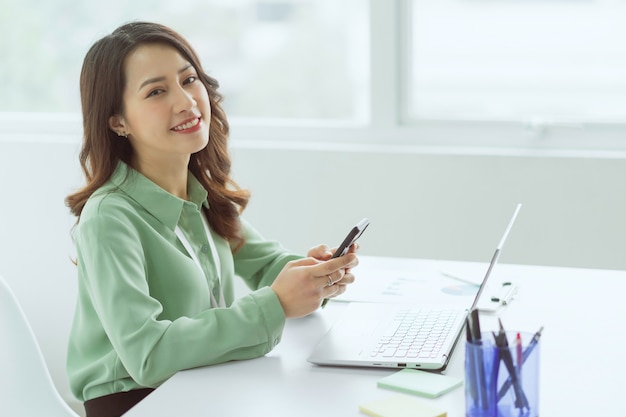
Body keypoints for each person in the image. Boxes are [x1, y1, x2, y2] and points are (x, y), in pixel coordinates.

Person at [65, 21, 359, 417]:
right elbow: (147, 355)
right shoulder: (108, 218)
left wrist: (314, 275)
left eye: (189, 80)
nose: (186, 101)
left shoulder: (197, 193)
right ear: (118, 121)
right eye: (156, 91)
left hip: (203, 382)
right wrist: (275, 304)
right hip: (135, 402)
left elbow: (267, 264)